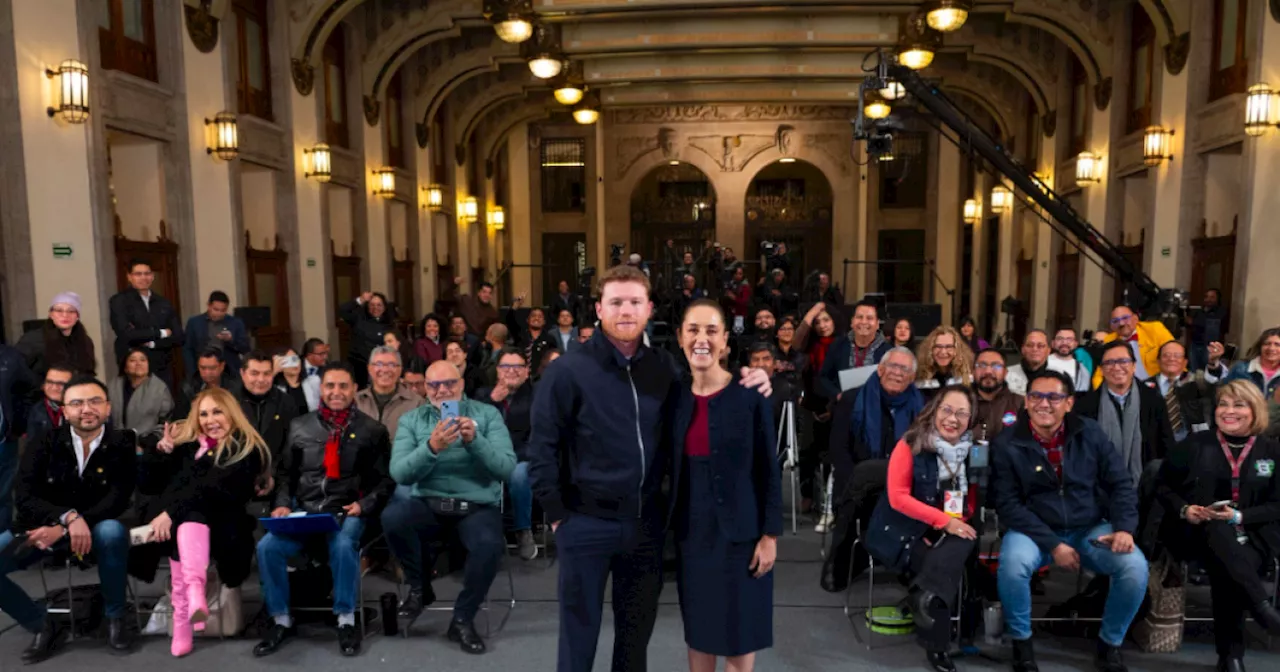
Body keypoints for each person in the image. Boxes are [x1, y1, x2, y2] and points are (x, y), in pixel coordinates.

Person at [526, 264, 769, 672]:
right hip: (584, 523)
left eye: (635, 302)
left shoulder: (664, 367)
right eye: (616, 302)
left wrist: (751, 376)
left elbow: (707, 387)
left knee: (635, 641)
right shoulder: (568, 371)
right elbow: (542, 447)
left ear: (649, 309)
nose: (626, 310)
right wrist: (556, 516)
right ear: (599, 309)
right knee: (578, 636)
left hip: (645, 526)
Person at [991, 371, 1147, 672]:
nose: (1044, 404)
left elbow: (1121, 484)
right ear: (1026, 401)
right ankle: (1021, 645)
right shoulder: (1007, 443)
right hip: (1035, 530)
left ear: (1069, 403)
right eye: (1036, 396)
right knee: (1012, 565)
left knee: (1134, 567)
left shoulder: (1090, 433)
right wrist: (1054, 544)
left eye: (1054, 397)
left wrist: (1125, 528)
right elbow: (1007, 504)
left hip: (1090, 527)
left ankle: (1109, 644)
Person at [672, 299, 781, 672]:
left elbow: (770, 469)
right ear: (680, 338)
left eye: (711, 331)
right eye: (693, 330)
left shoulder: (751, 395)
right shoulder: (673, 398)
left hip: (742, 536)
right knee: (699, 635)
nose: (702, 339)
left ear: (725, 344)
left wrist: (770, 536)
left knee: (738, 640)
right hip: (692, 536)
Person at [255, 362, 393, 658]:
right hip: (304, 511)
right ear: (322, 389)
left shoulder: (372, 430)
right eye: (330, 385)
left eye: (344, 386)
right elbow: (284, 476)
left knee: (343, 545)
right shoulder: (300, 425)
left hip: (346, 511)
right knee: (268, 547)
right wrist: (281, 505)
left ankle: (346, 618)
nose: (336, 392)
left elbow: (384, 482)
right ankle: (280, 618)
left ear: (355, 389)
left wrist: (363, 505)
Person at [383, 360, 516, 655]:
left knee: (488, 545)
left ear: (461, 384)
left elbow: (507, 469)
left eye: (449, 384)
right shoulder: (413, 420)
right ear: (425, 388)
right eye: (434, 385)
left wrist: (475, 441)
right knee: (393, 517)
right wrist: (430, 448)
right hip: (429, 503)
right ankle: (420, 588)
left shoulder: (487, 414)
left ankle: (463, 618)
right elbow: (400, 473)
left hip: (476, 505)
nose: (442, 390)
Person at [4, 376, 136, 661]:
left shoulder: (123, 442)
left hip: (98, 528)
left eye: (94, 401)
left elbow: (116, 500)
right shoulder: (43, 442)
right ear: (64, 410)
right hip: (41, 527)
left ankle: (115, 616)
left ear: (108, 408)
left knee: (113, 531)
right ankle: (42, 624)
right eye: (76, 403)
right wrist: (65, 519)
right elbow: (24, 495)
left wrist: (66, 526)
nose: (86, 409)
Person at [136, 387, 272, 657]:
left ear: (231, 414)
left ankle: (184, 615)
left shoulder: (246, 448)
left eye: (217, 412)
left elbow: (215, 489)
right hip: (184, 527)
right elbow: (153, 486)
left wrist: (169, 514)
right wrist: (162, 452)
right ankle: (194, 593)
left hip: (225, 526)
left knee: (189, 515)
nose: (210, 420)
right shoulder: (188, 448)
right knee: (187, 520)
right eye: (204, 414)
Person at [1155, 380, 1280, 672]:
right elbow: (1161, 486)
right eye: (1223, 404)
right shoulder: (1195, 444)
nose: (1228, 411)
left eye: (1238, 404)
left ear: (1254, 410)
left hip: (1253, 535)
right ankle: (1261, 612)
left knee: (1230, 564)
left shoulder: (1272, 450)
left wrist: (1239, 517)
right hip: (1197, 534)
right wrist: (1185, 509)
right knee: (1218, 533)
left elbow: (1278, 504)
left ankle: (1230, 656)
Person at [867, 385, 981, 672]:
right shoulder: (910, 444)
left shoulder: (975, 451)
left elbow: (979, 498)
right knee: (942, 564)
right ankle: (937, 642)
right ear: (933, 411)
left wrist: (955, 524)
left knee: (958, 548)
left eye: (962, 413)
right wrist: (944, 522)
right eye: (947, 410)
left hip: (958, 526)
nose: (953, 419)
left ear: (971, 419)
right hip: (909, 529)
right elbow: (898, 497)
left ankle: (923, 599)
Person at [825, 348, 925, 582]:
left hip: (904, 484)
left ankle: (908, 561)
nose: (897, 373)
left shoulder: (923, 407)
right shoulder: (851, 399)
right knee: (861, 478)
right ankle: (842, 560)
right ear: (880, 369)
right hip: (857, 485)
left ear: (912, 377)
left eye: (905, 369)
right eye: (893, 366)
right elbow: (838, 450)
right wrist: (855, 480)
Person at [1076, 340, 1176, 486]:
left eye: (1123, 361)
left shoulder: (1152, 399)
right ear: (1102, 369)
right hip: (1099, 489)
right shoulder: (1086, 405)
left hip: (1146, 487)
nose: (1116, 367)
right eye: (1109, 363)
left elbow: (1166, 444)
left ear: (1134, 366)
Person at [476, 348, 539, 560]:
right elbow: (473, 429)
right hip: (486, 459)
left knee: (520, 474)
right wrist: (493, 400)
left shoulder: (537, 396)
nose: (511, 371)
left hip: (520, 460)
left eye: (517, 366)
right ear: (497, 371)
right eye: (505, 366)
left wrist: (510, 459)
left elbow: (538, 439)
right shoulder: (483, 395)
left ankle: (523, 530)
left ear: (526, 371)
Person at [108, 258, 185, 389]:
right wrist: (161, 332)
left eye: (147, 273)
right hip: (133, 366)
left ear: (153, 276)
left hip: (161, 365)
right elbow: (126, 334)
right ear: (129, 277)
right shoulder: (119, 301)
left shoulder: (163, 303)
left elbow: (178, 336)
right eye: (138, 274)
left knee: (164, 405)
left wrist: (152, 343)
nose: (143, 277)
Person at [235, 351, 299, 471]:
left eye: (267, 374)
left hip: (277, 475)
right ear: (243, 374)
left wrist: (273, 474)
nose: (261, 379)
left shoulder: (286, 402)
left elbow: (290, 445)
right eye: (254, 373)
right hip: (237, 474)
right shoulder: (229, 402)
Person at [1143, 340, 1215, 443]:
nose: (1171, 359)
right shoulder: (1145, 386)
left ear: (1185, 362)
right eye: (1166, 355)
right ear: (1158, 361)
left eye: (1177, 356)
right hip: (1156, 442)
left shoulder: (1196, 381)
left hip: (1192, 441)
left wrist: (1213, 364)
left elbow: (1212, 382)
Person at [820, 300, 890, 401]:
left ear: (877, 324)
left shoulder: (888, 352)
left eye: (869, 318)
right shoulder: (838, 345)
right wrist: (837, 395)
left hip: (876, 407)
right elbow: (824, 378)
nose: (864, 322)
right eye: (859, 317)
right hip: (844, 406)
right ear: (852, 322)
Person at [16, 292, 96, 379]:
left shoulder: (85, 341)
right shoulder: (33, 339)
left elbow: (88, 372)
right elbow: (18, 371)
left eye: (71, 311)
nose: (65, 315)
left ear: (77, 316)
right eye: (59, 310)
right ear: (51, 314)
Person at [1091, 305, 1175, 388]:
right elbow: (1100, 373)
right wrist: (1101, 393)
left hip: (1158, 386)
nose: (1121, 323)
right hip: (1126, 391)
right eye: (1115, 321)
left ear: (1135, 319)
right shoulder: (1109, 340)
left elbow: (1175, 356)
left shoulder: (1154, 329)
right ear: (1112, 326)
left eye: (1125, 318)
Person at [0, 343, 36, 532]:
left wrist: (19, 423)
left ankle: (2, 551)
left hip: (3, 442)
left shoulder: (10, 356)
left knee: (3, 497)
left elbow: (30, 389)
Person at [354, 345, 424, 439]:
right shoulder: (356, 401)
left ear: (400, 370)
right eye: (379, 364)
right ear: (369, 369)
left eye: (391, 365)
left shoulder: (416, 403)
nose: (385, 370)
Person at [109, 347, 175, 439]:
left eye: (143, 360)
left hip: (148, 442)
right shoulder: (113, 386)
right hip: (115, 441)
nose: (138, 364)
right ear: (125, 367)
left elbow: (167, 421)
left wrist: (149, 441)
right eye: (132, 360)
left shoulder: (159, 388)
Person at [183, 290, 250, 378]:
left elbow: (245, 349)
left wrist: (230, 340)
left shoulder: (236, 323)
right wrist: (192, 372)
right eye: (216, 309)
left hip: (229, 371)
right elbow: (188, 349)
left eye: (223, 310)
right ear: (208, 305)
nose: (219, 313)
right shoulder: (194, 322)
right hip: (203, 369)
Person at [339, 291, 395, 388]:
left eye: (379, 305)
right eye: (372, 305)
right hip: (359, 366)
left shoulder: (389, 323)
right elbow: (342, 310)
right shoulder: (359, 318)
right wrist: (360, 300)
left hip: (381, 367)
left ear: (384, 307)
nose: (375, 308)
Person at [1205, 327, 1280, 399]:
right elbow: (1221, 389)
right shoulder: (1241, 368)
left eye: (1277, 345)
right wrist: (1213, 362)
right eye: (1267, 344)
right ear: (1260, 347)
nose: (1271, 348)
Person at [973, 348, 1023, 443]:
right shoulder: (960, 400)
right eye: (982, 365)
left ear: (1005, 372)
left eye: (996, 366)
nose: (988, 371)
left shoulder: (1019, 403)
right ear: (973, 371)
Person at [914, 326, 974, 402]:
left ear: (957, 350)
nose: (943, 352)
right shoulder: (919, 376)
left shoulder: (967, 376)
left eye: (949, 347)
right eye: (938, 346)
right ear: (930, 349)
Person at [177, 348, 237, 418]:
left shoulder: (235, 387)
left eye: (212, 368)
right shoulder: (188, 388)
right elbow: (179, 420)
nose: (207, 372)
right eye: (203, 368)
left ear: (222, 366)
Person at [24, 364, 73, 440]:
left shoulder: (82, 410)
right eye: (49, 382)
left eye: (61, 384)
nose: (54, 388)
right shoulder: (36, 410)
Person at [1187, 288, 1229, 372]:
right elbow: (1189, 324)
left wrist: (1194, 322)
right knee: (1193, 370)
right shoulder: (1199, 311)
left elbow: (1210, 323)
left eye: (1212, 297)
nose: (1208, 299)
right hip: (1195, 344)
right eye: (1206, 297)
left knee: (1209, 370)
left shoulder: (1221, 311)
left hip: (1211, 346)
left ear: (1217, 299)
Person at [507, 297, 560, 363]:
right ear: (527, 320)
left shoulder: (550, 339)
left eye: (540, 316)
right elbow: (510, 321)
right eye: (533, 316)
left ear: (544, 322)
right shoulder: (520, 335)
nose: (536, 318)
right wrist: (515, 307)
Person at [1005, 329, 1051, 396]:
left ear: (1048, 351)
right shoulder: (1006, 374)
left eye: (1040, 346)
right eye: (1030, 345)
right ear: (1023, 349)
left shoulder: (1058, 376)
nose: (1035, 349)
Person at [1047, 328, 1093, 393]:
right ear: (1053, 343)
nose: (1064, 342)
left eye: (1069, 339)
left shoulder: (1082, 370)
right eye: (1060, 338)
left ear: (1076, 344)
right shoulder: (1042, 362)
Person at [272, 348, 316, 413]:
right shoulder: (275, 389)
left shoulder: (313, 381)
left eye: (295, 359)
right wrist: (274, 372)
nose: (295, 364)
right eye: (289, 360)